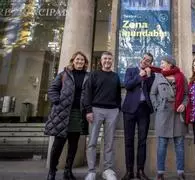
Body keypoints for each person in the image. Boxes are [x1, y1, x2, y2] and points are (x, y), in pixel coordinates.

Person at [45, 51, 90, 180]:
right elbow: (52, 89)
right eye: (78, 59)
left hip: (78, 113)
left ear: (85, 62)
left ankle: (68, 171)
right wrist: (57, 101)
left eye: (82, 60)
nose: (80, 62)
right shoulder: (64, 74)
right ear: (73, 61)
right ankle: (52, 171)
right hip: (63, 113)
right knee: (58, 144)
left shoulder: (88, 76)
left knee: (73, 144)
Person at [84, 51, 121, 180]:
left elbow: (118, 94)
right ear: (101, 61)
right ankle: (91, 171)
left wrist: (117, 108)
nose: (107, 61)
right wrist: (88, 110)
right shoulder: (94, 75)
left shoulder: (115, 76)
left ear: (112, 61)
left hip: (112, 111)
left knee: (109, 142)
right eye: (105, 59)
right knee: (92, 142)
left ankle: (108, 170)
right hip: (96, 110)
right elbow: (87, 93)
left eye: (109, 59)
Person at [150, 56, 188, 180]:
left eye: (163, 63)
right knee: (162, 144)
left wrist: (183, 104)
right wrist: (157, 106)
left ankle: (181, 172)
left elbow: (187, 95)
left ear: (170, 64)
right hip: (163, 113)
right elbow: (152, 93)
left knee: (180, 145)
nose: (161, 65)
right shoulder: (159, 76)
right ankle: (160, 172)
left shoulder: (181, 77)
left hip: (178, 114)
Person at [121, 53, 155, 180]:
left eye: (148, 61)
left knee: (142, 141)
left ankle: (140, 171)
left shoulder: (151, 74)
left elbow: (151, 89)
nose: (145, 61)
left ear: (150, 63)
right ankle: (129, 171)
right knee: (128, 141)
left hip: (144, 110)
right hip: (129, 110)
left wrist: (149, 76)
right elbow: (128, 85)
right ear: (141, 59)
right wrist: (140, 76)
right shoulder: (131, 70)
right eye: (144, 59)